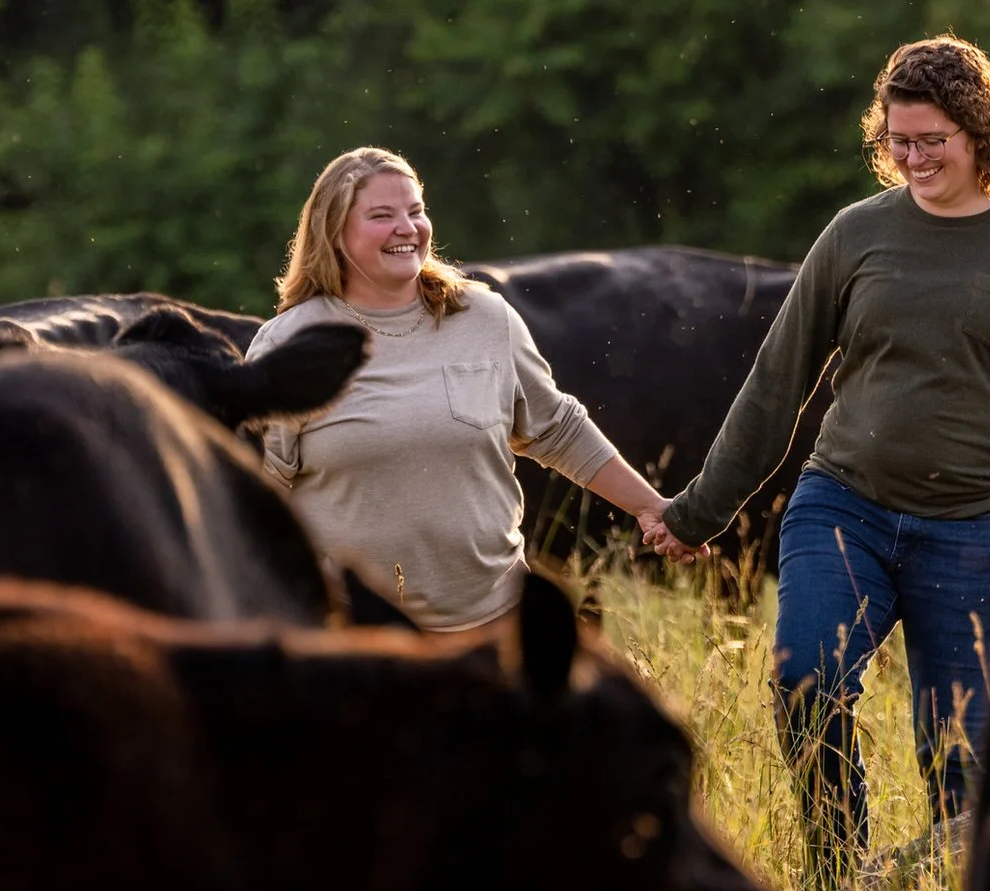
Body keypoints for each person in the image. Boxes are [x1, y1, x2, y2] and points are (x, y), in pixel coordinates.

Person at [643, 35, 990, 891]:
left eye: (934, 140)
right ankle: (835, 876)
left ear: (980, 132)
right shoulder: (857, 234)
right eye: (900, 140)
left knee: (961, 748)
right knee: (805, 678)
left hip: (979, 528)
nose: (915, 158)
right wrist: (696, 510)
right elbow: (774, 384)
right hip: (844, 503)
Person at [248, 147, 674, 640]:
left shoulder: (484, 318)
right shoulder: (289, 344)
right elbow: (257, 489)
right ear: (334, 233)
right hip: (354, 641)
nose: (406, 228)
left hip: (494, 629)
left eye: (415, 210)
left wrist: (650, 507)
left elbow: (557, 428)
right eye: (382, 216)